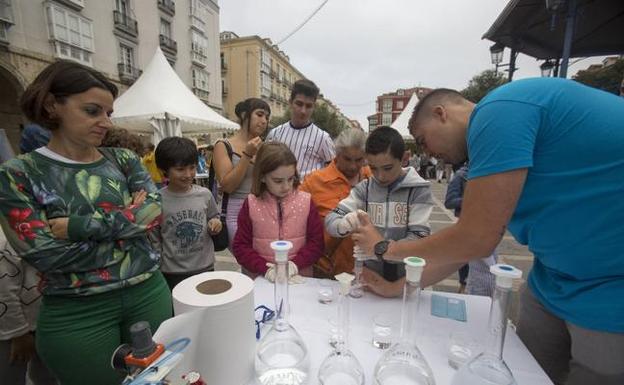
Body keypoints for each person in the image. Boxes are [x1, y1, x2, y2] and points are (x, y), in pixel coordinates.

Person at [352, 78, 624, 384]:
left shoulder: (498, 111)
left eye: (423, 140)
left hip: (610, 287)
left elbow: (475, 238)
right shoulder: (492, 144)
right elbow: (467, 246)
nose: (429, 152)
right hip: (552, 280)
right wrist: (398, 286)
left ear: (441, 113)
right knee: (523, 371)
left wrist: (387, 248)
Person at [0, 60, 171, 385]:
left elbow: (152, 214)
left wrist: (76, 227)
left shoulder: (122, 159)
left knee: (158, 379)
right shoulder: (18, 174)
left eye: (108, 112)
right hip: (77, 313)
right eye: (93, 111)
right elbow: (45, 255)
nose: (105, 122)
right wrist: (129, 234)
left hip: (148, 293)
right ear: (53, 105)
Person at [325, 126, 433, 295]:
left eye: (388, 168)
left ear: (404, 158)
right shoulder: (365, 188)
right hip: (370, 280)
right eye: (373, 168)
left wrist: (379, 248)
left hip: (405, 281)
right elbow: (331, 219)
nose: (380, 176)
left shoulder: (419, 190)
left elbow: (419, 238)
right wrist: (343, 224)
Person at [232, 142, 324, 280]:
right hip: (261, 280)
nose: (286, 186)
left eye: (290, 179)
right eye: (278, 181)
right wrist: (265, 269)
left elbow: (317, 243)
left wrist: (295, 264)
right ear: (262, 177)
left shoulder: (306, 202)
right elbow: (240, 247)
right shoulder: (251, 204)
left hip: (299, 279)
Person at [299, 128, 371, 277]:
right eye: (347, 159)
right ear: (336, 154)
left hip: (368, 270)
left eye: (359, 160)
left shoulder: (374, 178)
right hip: (327, 270)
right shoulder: (314, 182)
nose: (353, 166)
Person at [155, 137, 222, 290]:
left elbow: (214, 216)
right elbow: (154, 239)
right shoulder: (157, 200)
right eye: (180, 169)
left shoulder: (204, 194)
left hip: (205, 268)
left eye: (192, 167)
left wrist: (215, 223)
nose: (188, 174)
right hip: (171, 273)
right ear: (164, 170)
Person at [0, 228, 57, 385]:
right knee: (10, 376)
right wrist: (18, 334)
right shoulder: (4, 239)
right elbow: (3, 292)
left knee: (46, 375)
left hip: (41, 318)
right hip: (12, 329)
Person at [212, 98, 270, 246]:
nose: (264, 121)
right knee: (249, 259)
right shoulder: (224, 145)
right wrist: (247, 155)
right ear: (244, 115)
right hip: (234, 212)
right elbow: (228, 186)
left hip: (261, 209)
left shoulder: (264, 147)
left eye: (267, 117)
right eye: (260, 114)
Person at [444, 163, 496, 297]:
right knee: (464, 259)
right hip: (465, 223)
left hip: (486, 224)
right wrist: (471, 200)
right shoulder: (461, 176)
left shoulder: (488, 173)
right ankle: (464, 285)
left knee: (488, 262)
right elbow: (449, 201)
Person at [266, 79, 335, 178]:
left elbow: (332, 169)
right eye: (299, 104)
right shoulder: (275, 134)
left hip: (310, 192)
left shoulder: (323, 138)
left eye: (308, 106)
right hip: (279, 192)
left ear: (314, 107)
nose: (303, 111)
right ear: (290, 102)